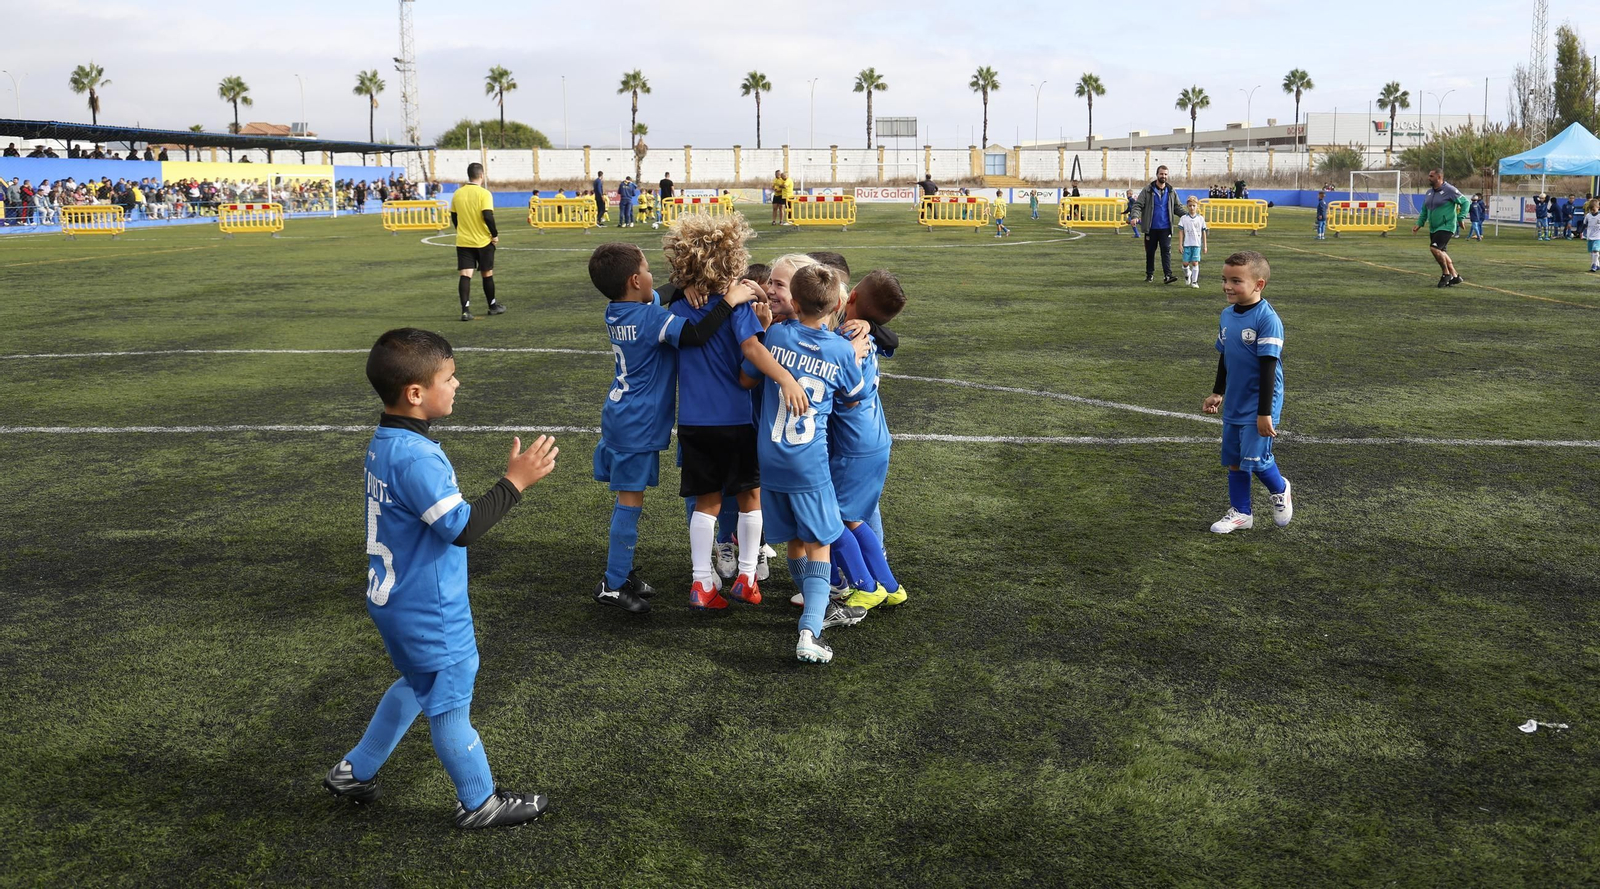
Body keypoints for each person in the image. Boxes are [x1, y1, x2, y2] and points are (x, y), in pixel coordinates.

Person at [323, 327, 559, 829]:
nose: (457, 385)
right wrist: (515, 482)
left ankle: (355, 770)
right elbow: (461, 528)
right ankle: (479, 802)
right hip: (429, 608)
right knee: (450, 703)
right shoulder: (417, 457)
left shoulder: (386, 443)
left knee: (417, 684)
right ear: (415, 393)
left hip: (393, 599)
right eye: (448, 378)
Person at [588, 242, 766, 613]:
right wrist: (728, 300)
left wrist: (685, 285)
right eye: (647, 269)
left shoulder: (618, 309)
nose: (654, 276)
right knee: (629, 503)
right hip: (637, 423)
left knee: (646, 499)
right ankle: (614, 582)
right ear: (635, 280)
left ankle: (623, 572)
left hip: (622, 414)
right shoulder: (651, 318)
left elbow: (660, 294)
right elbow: (697, 334)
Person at [666, 213, 809, 610]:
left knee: (706, 502)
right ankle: (747, 576)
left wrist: (686, 285)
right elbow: (751, 350)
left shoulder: (678, 307)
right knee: (751, 496)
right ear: (733, 260)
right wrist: (785, 378)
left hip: (693, 423)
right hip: (735, 420)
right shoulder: (739, 306)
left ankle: (701, 582)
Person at [739, 264, 872, 663]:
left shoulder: (777, 335)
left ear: (793, 303)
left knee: (796, 540)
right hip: (809, 464)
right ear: (836, 305)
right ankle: (810, 631)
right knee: (819, 545)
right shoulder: (839, 350)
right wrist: (850, 355)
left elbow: (748, 374)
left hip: (770, 460)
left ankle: (814, 605)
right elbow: (853, 397)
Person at [824, 269, 910, 612]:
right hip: (874, 437)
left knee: (831, 517)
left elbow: (840, 392)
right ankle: (890, 586)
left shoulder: (845, 338)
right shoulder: (864, 334)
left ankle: (865, 586)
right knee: (853, 517)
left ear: (853, 296)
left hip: (854, 444)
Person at [1201, 251, 1293, 535]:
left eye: (1236, 281)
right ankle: (1242, 513)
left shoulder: (1267, 319)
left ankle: (1280, 489)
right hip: (1236, 399)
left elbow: (1268, 368)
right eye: (1224, 280)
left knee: (1256, 460)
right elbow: (1225, 355)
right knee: (1233, 459)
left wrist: (1265, 413)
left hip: (1260, 401)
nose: (1227, 286)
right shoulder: (1227, 315)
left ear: (1258, 284)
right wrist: (1218, 392)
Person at [449, 162, 505, 321]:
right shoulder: (484, 194)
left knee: (465, 275)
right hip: (483, 241)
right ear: (481, 175)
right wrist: (494, 234)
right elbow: (487, 215)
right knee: (487, 273)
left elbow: (454, 216)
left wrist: (460, 229)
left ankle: (465, 311)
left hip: (464, 241)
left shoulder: (458, 193)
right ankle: (492, 306)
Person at [1412, 169, 1469, 287]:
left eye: (1431, 176)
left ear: (1439, 177)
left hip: (1447, 226)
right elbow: (1424, 210)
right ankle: (1455, 276)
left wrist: (1461, 217)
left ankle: (1446, 274)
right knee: (1441, 252)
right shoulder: (1429, 192)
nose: (1428, 178)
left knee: (1434, 248)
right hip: (1434, 227)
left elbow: (1465, 202)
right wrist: (1419, 223)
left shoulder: (1450, 190)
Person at [1135, 165, 1185, 284]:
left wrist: (1187, 216)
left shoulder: (1171, 191)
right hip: (1151, 228)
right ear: (1157, 175)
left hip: (1166, 228)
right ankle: (1149, 275)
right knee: (1150, 252)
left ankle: (1168, 275)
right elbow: (1138, 205)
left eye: (1165, 174)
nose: (1163, 176)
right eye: (1161, 174)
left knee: (1166, 251)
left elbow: (1177, 207)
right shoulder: (1147, 190)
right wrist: (1135, 216)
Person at [1178, 195, 1208, 287]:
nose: (1192, 208)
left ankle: (1194, 282)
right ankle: (1188, 274)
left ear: (1197, 206)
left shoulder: (1200, 218)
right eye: (1190, 205)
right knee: (1185, 263)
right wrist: (1180, 244)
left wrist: (1205, 246)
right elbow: (1181, 232)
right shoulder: (1184, 218)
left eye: (1194, 206)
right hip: (1187, 244)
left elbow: (1203, 232)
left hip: (1196, 244)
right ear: (1187, 206)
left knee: (1195, 262)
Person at [1581, 197, 1600, 273]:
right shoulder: (1588, 216)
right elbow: (1584, 224)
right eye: (1591, 209)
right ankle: (1597, 265)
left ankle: (1593, 265)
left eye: (1594, 209)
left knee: (1595, 251)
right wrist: (1581, 232)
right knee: (1592, 252)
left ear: (1598, 207)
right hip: (1590, 237)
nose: (1592, 211)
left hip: (1598, 237)